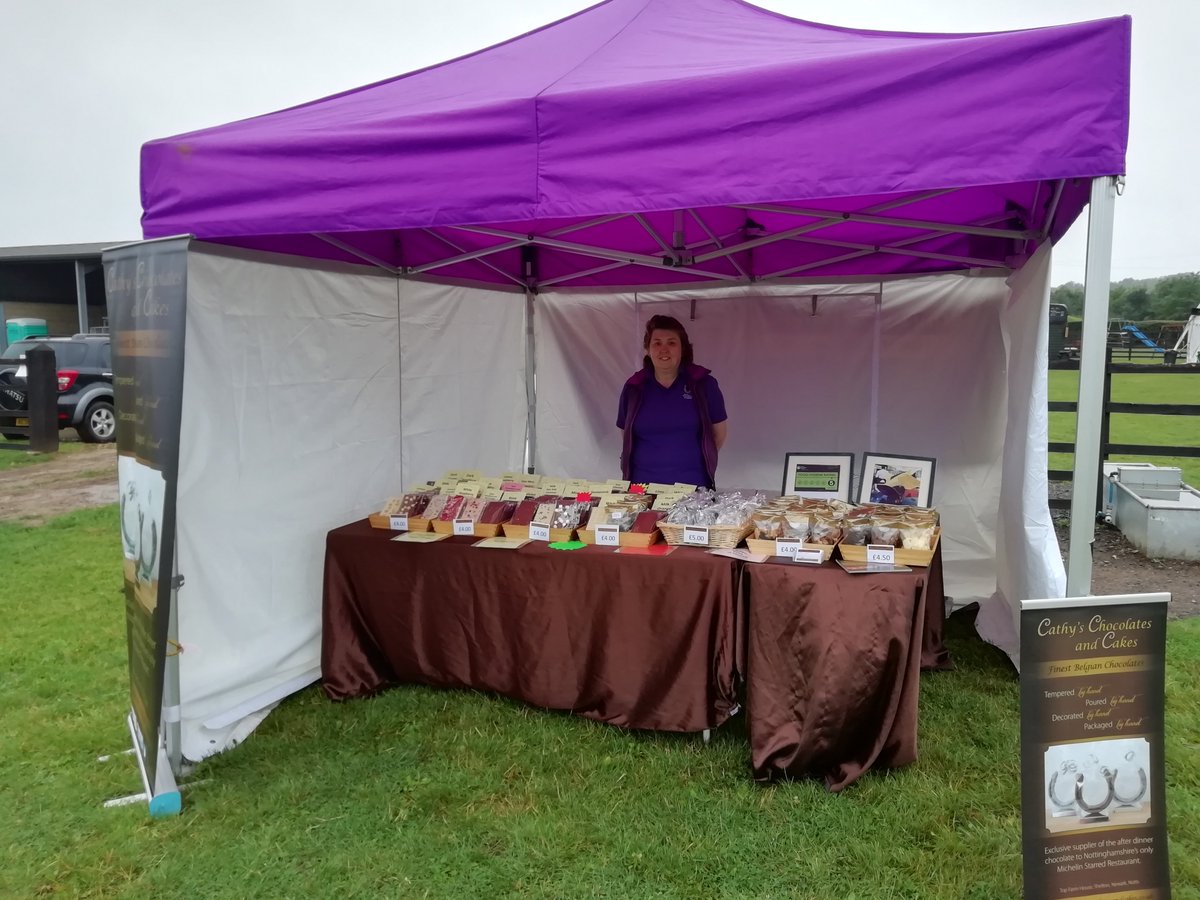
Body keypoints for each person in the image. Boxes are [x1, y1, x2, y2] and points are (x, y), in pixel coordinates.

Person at [616, 314, 728, 488]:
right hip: (641, 489)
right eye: (657, 343)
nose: (664, 349)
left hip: (693, 489)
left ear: (683, 348)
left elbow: (718, 435)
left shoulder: (703, 384)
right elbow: (626, 434)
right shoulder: (633, 387)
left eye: (671, 342)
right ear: (647, 349)